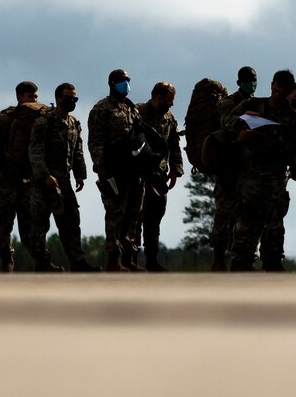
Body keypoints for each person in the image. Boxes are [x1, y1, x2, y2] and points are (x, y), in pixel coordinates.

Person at [227, 71, 296, 271]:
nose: (277, 95)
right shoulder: (252, 105)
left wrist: (272, 143)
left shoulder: (292, 119)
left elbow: (295, 149)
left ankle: (272, 262)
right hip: (249, 176)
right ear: (271, 85)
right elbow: (227, 122)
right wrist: (242, 120)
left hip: (274, 178)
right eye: (276, 90)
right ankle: (241, 261)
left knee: (274, 224)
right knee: (245, 221)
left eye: (282, 92)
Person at [29, 82, 99, 273]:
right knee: (40, 226)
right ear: (58, 98)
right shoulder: (44, 122)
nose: (72, 101)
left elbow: (77, 151)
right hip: (44, 183)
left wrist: (80, 174)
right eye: (69, 98)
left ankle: (78, 262)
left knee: (71, 223)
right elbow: (35, 152)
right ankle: (42, 264)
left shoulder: (74, 124)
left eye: (75, 99)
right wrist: (45, 176)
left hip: (65, 181)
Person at [88, 69, 144, 271]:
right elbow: (95, 140)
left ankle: (128, 258)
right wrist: (100, 167)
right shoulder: (101, 109)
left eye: (128, 80)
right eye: (122, 80)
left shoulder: (131, 108)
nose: (126, 84)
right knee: (115, 215)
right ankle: (114, 260)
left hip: (133, 171)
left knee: (133, 215)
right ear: (112, 83)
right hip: (112, 171)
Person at [0, 80, 50, 271]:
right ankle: (6, 262)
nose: (34, 100)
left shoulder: (40, 119)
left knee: (30, 227)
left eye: (36, 97)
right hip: (5, 183)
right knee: (4, 226)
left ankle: (42, 263)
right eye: (30, 97)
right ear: (19, 97)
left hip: (27, 182)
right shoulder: (6, 119)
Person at [211, 66, 260, 270]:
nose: (252, 83)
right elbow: (225, 125)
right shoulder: (227, 103)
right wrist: (243, 118)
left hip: (248, 170)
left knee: (246, 217)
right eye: (248, 80)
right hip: (228, 169)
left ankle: (242, 260)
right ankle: (218, 258)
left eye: (254, 79)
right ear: (240, 82)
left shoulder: (257, 104)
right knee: (224, 215)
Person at [135, 82, 183, 272]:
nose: (171, 105)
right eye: (169, 100)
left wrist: (175, 170)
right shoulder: (137, 112)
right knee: (135, 218)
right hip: (138, 175)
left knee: (154, 219)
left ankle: (151, 260)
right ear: (158, 97)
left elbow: (174, 145)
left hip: (159, 178)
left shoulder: (169, 119)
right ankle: (130, 259)